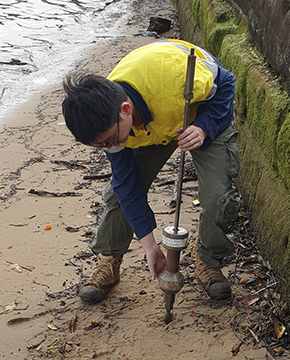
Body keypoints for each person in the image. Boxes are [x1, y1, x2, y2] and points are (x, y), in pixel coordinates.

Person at [62, 39, 240, 304]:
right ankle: (109, 261)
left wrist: (203, 127)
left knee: (218, 198)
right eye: (100, 146)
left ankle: (208, 262)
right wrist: (150, 247)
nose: (109, 147)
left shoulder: (178, 81)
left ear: (125, 111)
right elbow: (128, 186)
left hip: (197, 112)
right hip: (150, 128)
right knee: (117, 195)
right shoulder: (105, 123)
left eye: (110, 141)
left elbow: (226, 82)